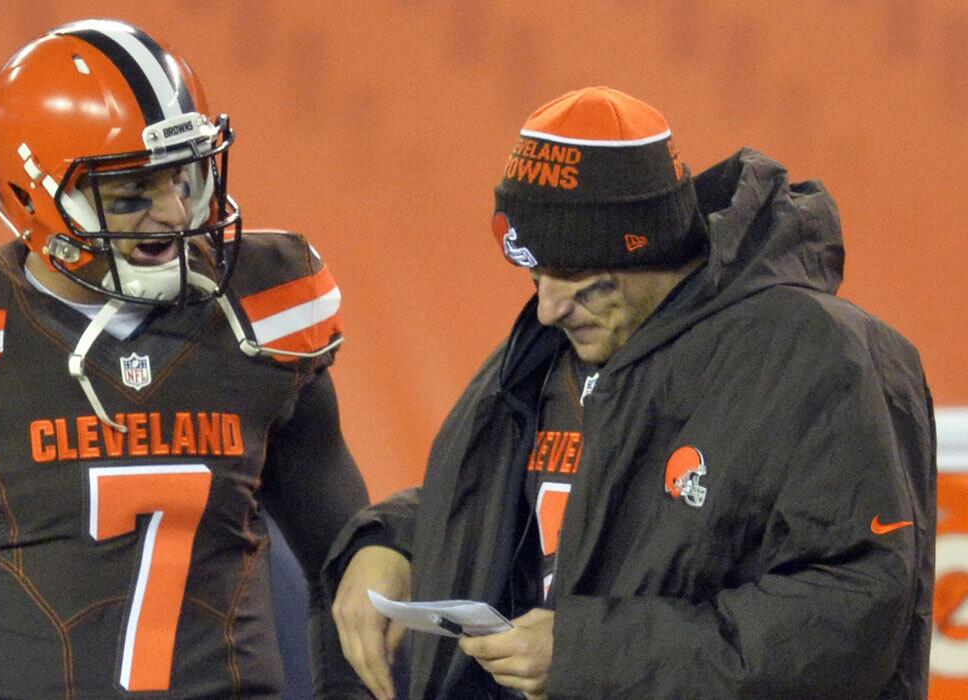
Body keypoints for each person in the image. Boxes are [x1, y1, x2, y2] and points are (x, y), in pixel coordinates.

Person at [327, 86, 937, 698]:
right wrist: (398, 542)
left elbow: (848, 615)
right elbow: (541, 504)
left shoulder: (818, 356)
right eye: (536, 276)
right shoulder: (563, 344)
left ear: (652, 250)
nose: (547, 309)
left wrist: (587, 657)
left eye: (582, 283)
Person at [0, 19, 371, 698]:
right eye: (131, 194)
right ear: (35, 196)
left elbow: (351, 571)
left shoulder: (257, 318)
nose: (174, 214)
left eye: (185, 178)